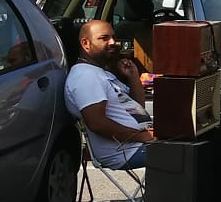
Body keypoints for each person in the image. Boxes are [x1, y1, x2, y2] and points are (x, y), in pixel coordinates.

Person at [64, 17, 155, 169]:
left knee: (193, 141)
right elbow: (97, 123)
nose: (113, 42)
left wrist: (133, 77)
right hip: (126, 151)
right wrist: (142, 136)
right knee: (190, 154)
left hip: (140, 142)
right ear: (86, 43)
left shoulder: (99, 72)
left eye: (113, 37)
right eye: (104, 38)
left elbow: (137, 110)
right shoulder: (85, 76)